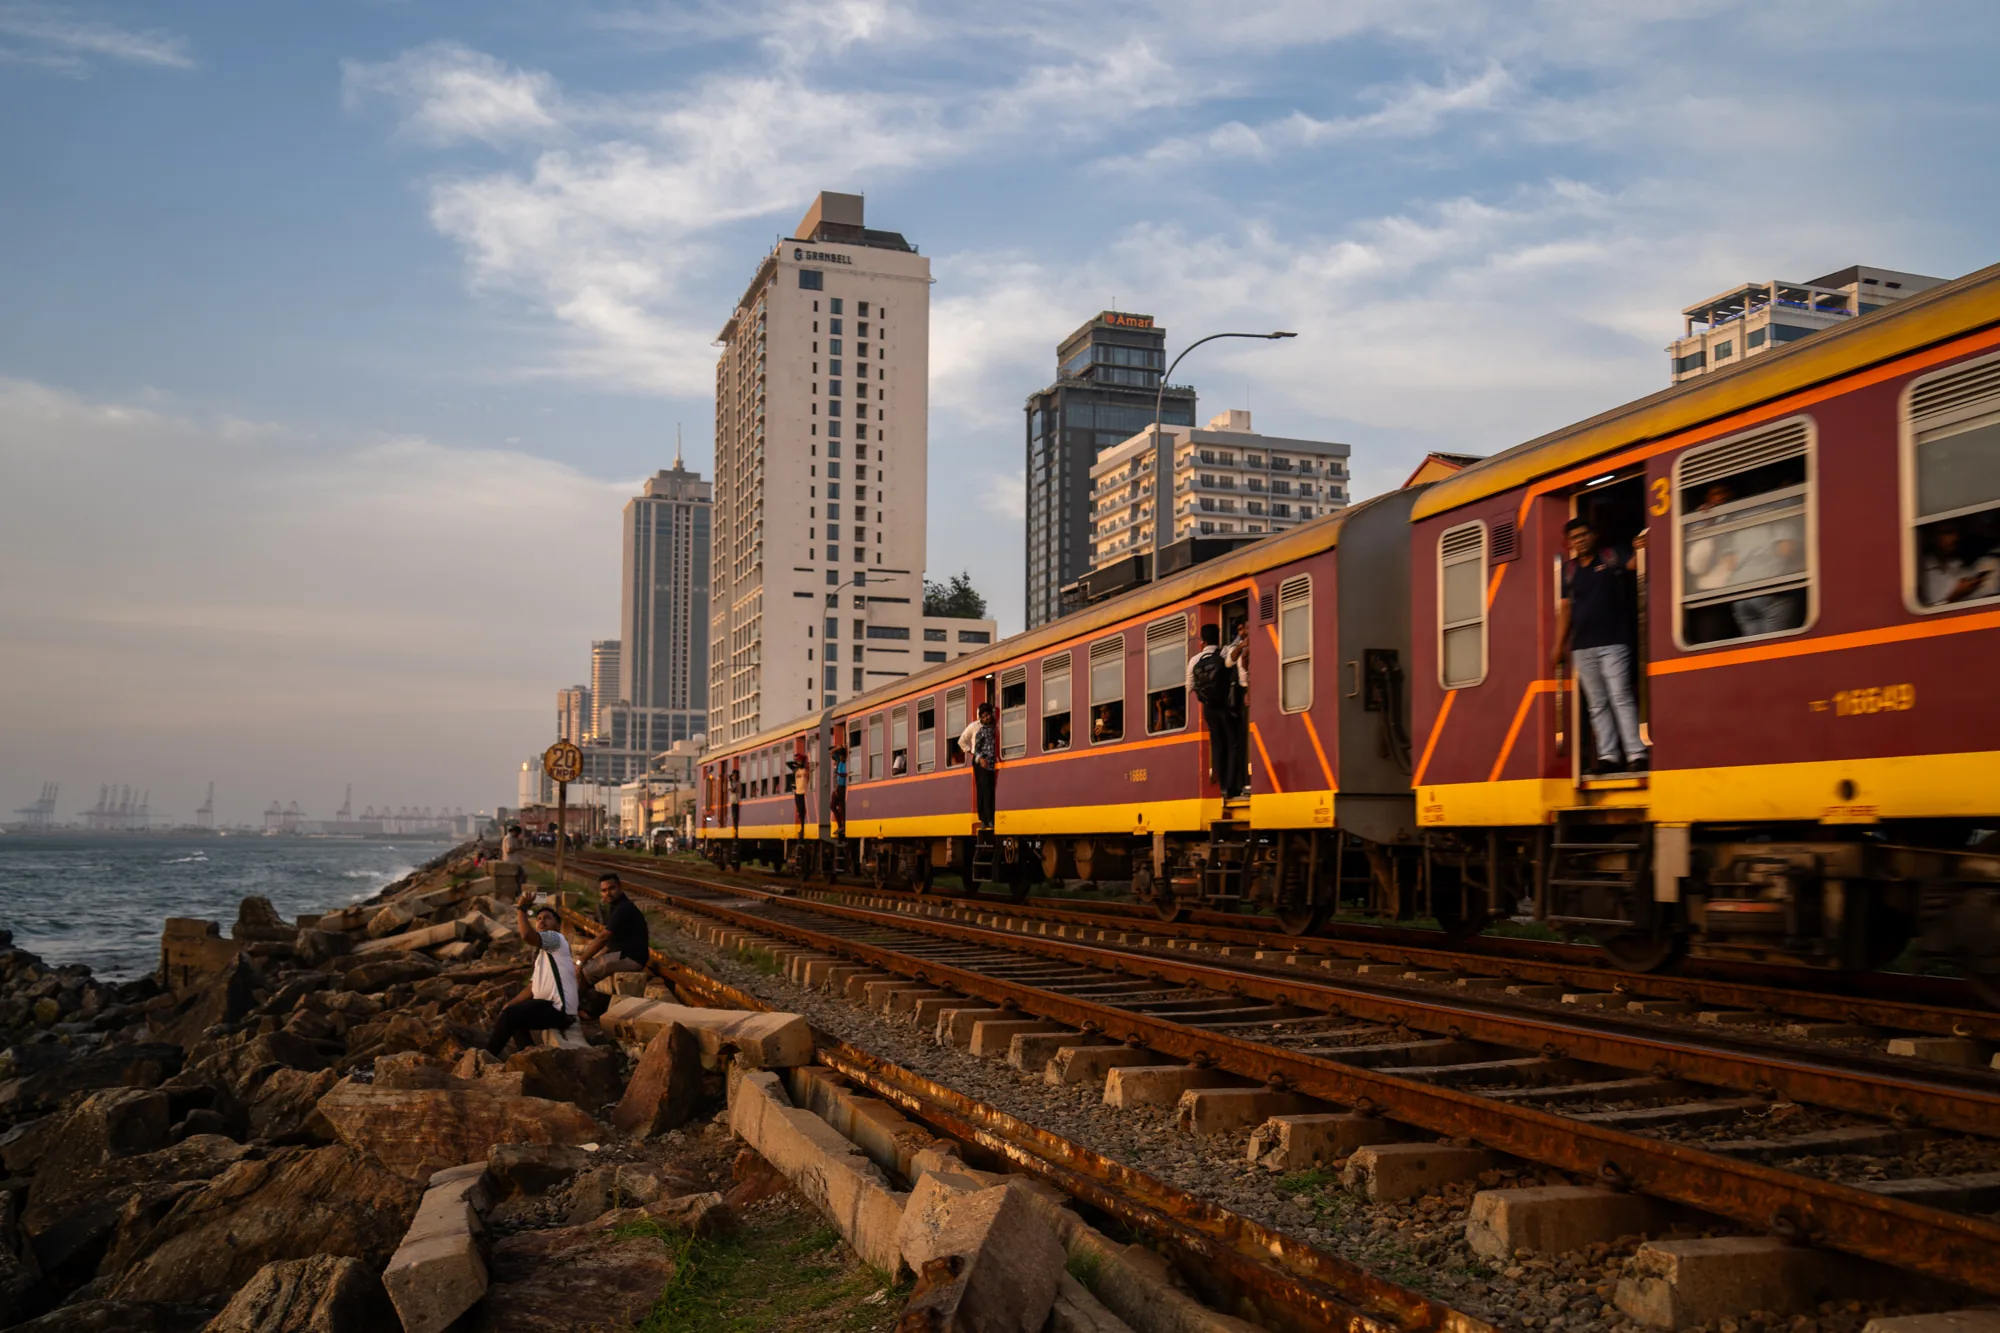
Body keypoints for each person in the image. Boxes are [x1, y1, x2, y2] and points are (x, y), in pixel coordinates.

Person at [1554, 517, 1648, 774]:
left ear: (1594, 535)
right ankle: (1608, 756)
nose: (1580, 540)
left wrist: (1643, 546)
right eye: (1574, 537)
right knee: (1597, 703)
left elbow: (1635, 564)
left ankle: (1636, 753)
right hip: (1582, 646)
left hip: (1614, 641)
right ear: (1569, 542)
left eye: (1584, 534)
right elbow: (1565, 608)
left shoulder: (1611, 555)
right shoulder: (1569, 571)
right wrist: (1558, 645)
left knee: (1620, 696)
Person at [480, 892, 580, 1055]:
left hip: (559, 1009)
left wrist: (522, 908)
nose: (541, 920)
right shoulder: (544, 953)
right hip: (550, 1007)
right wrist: (511, 1003)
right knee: (514, 1015)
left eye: (547, 918)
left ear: (557, 925)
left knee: (512, 1016)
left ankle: (486, 1056)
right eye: (539, 918)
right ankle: (529, 1054)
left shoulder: (556, 939)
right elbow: (533, 987)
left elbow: (526, 935)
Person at [1187, 624, 1243, 798]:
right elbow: (1231, 661)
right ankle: (1233, 785)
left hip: (1209, 709)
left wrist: (1206, 695)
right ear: (1218, 637)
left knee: (1217, 747)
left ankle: (1224, 787)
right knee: (1233, 743)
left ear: (1202, 641)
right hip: (1226, 707)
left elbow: (1190, 687)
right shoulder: (1224, 652)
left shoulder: (1194, 661)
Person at [574, 872, 647, 987]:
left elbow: (603, 938)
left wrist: (581, 961)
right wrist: (593, 958)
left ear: (620, 887)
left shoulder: (624, 908)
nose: (608, 893)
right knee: (590, 966)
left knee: (583, 972)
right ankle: (587, 1000)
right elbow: (610, 943)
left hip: (631, 959)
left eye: (612, 888)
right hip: (624, 955)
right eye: (604, 890)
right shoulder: (616, 907)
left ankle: (573, 1004)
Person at [1921, 522, 2000, 605]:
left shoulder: (1957, 564)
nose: (1955, 538)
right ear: (1932, 537)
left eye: (1956, 532)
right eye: (1946, 533)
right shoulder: (1921, 571)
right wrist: (1956, 594)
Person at [960, 701, 998, 831]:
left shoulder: (994, 726)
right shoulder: (976, 728)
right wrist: (978, 757)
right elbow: (962, 742)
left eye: (988, 715)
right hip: (980, 761)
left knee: (990, 790)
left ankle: (989, 818)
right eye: (983, 716)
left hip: (991, 762)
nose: (986, 718)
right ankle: (985, 819)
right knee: (983, 791)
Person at [787, 754, 809, 836]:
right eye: (798, 761)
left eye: (800, 761)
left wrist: (803, 762)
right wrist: (796, 761)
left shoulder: (806, 770)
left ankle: (804, 827)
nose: (799, 762)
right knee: (800, 812)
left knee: (804, 811)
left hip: (805, 792)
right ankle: (802, 828)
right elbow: (788, 764)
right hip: (798, 793)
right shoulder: (796, 770)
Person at [830, 744, 849, 839]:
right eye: (840, 756)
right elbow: (831, 752)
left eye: (842, 756)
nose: (841, 757)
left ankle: (844, 826)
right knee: (833, 806)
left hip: (843, 787)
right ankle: (840, 825)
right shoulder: (839, 762)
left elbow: (845, 774)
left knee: (843, 807)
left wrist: (839, 774)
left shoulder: (845, 764)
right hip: (838, 788)